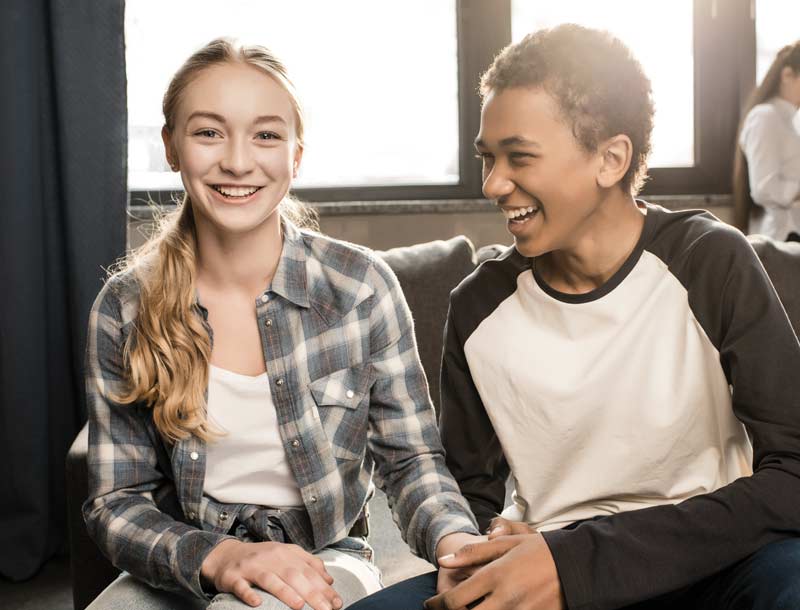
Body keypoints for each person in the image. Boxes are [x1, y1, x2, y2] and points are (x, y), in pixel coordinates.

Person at [349, 24, 800, 610]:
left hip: (715, 562)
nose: (493, 184)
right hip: (548, 578)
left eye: (520, 157)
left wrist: (580, 558)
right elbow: (468, 500)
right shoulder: (477, 308)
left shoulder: (708, 261)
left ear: (611, 159)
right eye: (488, 158)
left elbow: (792, 473)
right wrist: (482, 549)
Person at [82, 38, 480, 610]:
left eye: (266, 135)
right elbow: (115, 502)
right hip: (185, 559)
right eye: (208, 132)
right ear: (171, 147)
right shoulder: (124, 307)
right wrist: (218, 558)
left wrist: (457, 544)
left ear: (296, 156)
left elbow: (411, 460)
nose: (238, 161)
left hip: (326, 557)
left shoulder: (361, 287)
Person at [734, 41, 800, 240]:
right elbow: (764, 188)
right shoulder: (765, 116)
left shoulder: (789, 121)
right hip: (780, 237)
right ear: (787, 75)